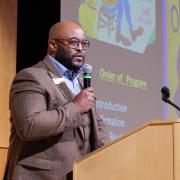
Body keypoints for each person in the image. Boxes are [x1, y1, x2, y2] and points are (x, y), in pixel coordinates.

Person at [4, 21, 108, 180]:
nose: (80, 48)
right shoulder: (31, 76)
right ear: (53, 45)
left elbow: (96, 127)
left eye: (84, 43)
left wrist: (114, 152)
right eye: (73, 42)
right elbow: (29, 125)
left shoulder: (80, 83)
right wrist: (74, 106)